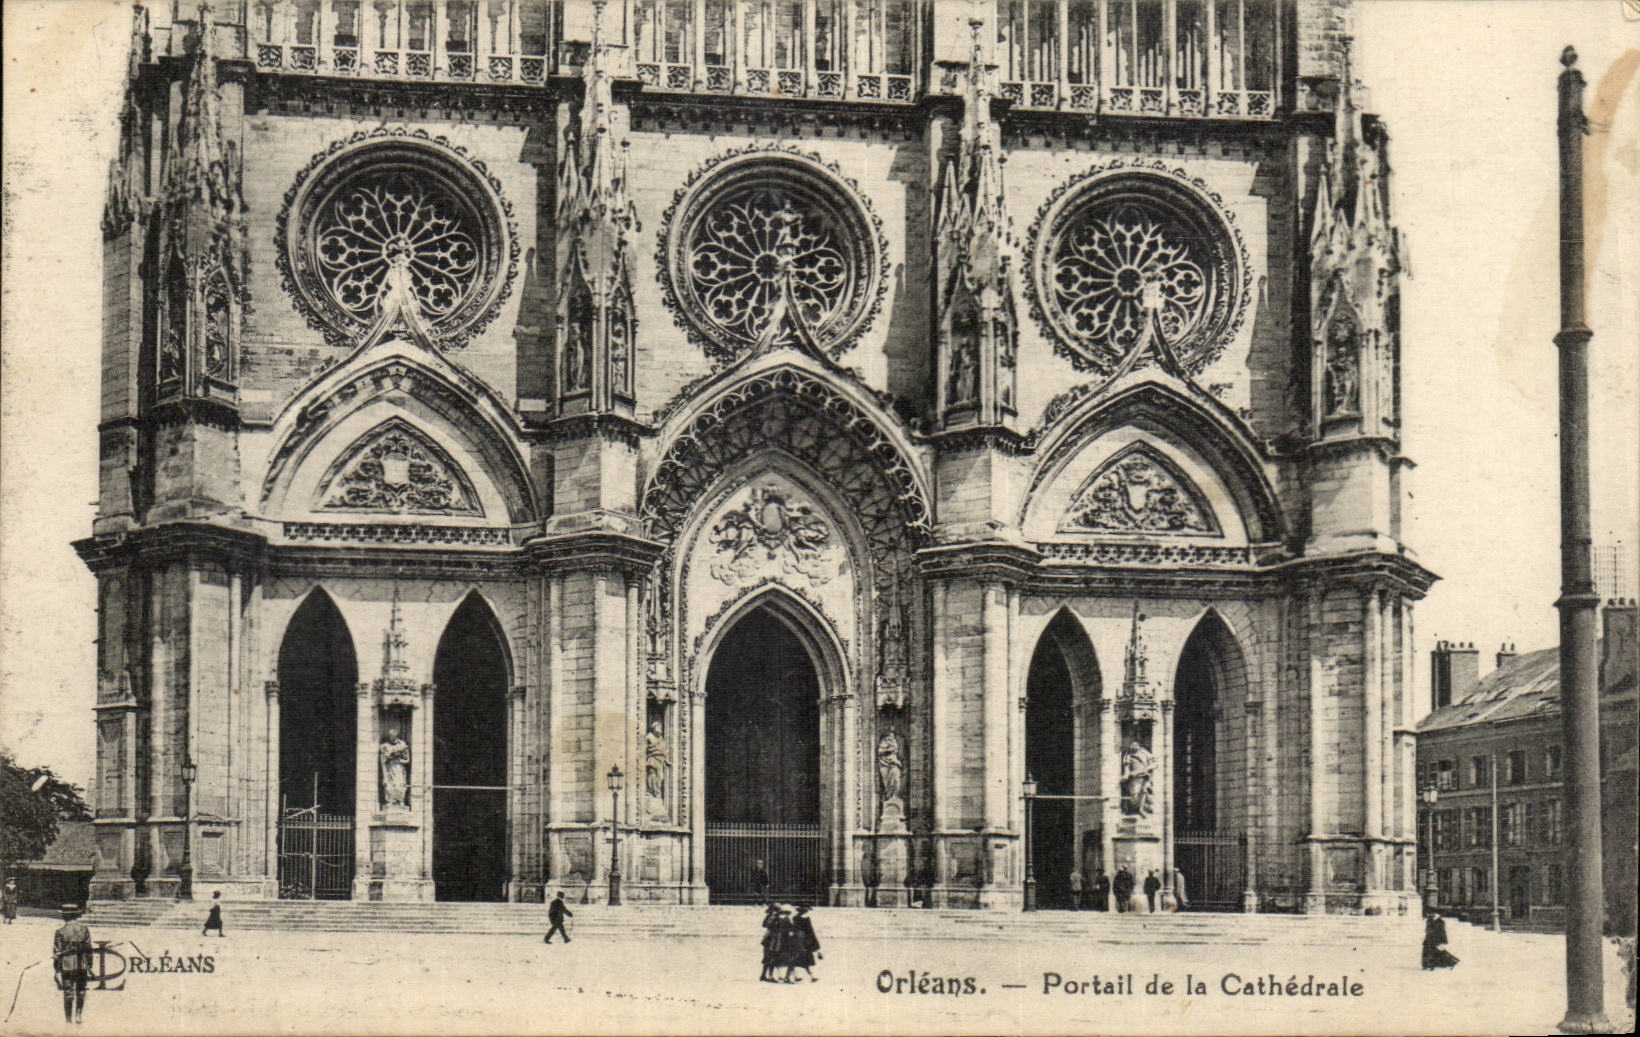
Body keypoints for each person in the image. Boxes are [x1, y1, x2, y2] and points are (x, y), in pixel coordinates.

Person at [53, 903, 93, 1025]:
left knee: (68, 992)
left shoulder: (60, 932)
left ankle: (68, 1018)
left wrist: (57, 968)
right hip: (82, 964)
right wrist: (89, 964)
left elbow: (57, 952)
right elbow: (88, 948)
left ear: (64, 917)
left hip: (67, 965)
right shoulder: (84, 929)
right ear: (76, 915)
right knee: (81, 990)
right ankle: (78, 1015)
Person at [785, 904, 821, 982]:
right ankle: (787, 977)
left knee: (800, 960)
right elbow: (810, 932)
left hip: (797, 940)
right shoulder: (805, 920)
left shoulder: (795, 918)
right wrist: (816, 946)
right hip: (802, 942)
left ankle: (811, 976)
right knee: (799, 959)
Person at [760, 903, 786, 982]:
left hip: (772, 939)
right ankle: (767, 976)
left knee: (771, 958)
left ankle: (765, 975)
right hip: (771, 940)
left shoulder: (777, 918)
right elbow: (765, 925)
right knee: (769, 958)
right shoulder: (772, 918)